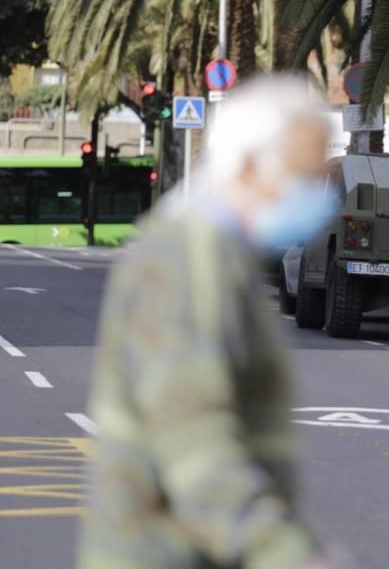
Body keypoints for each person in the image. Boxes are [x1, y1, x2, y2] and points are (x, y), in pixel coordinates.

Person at [79, 75, 350, 569]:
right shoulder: (184, 258)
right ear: (249, 165)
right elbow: (193, 443)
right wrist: (288, 555)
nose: (320, 198)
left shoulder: (222, 257)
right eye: (304, 178)